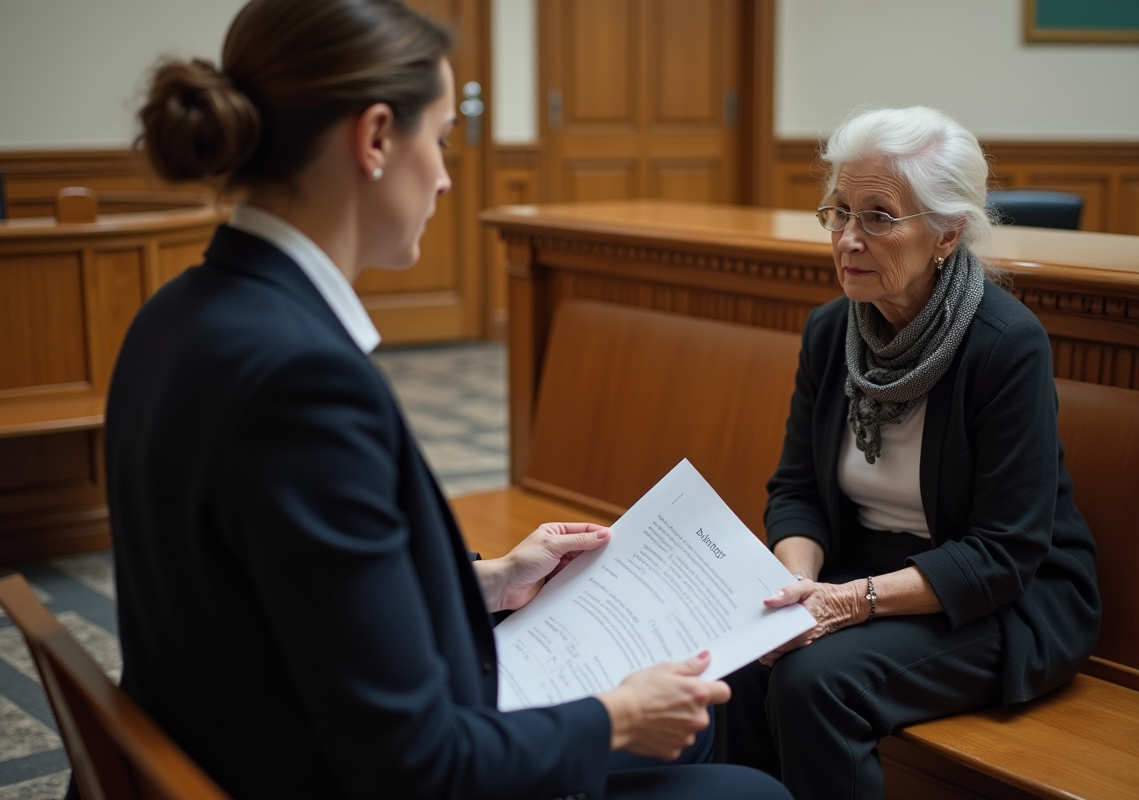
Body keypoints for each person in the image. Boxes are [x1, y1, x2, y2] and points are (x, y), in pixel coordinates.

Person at [99, 1, 793, 799]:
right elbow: (417, 765)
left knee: (691, 741)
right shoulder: (302, 382)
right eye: (440, 140)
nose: (444, 176)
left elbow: (280, 591)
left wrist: (492, 580)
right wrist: (616, 718)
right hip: (316, 771)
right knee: (753, 792)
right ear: (375, 139)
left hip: (237, 732)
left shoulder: (174, 313)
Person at [716, 106, 1101, 799]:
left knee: (812, 680)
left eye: (878, 217)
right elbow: (797, 491)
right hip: (863, 573)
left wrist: (845, 603)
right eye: (839, 212)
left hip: (1000, 602)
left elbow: (1006, 552)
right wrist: (796, 592)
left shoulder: (1005, 345)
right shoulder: (831, 330)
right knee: (744, 658)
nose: (848, 239)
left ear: (947, 233)